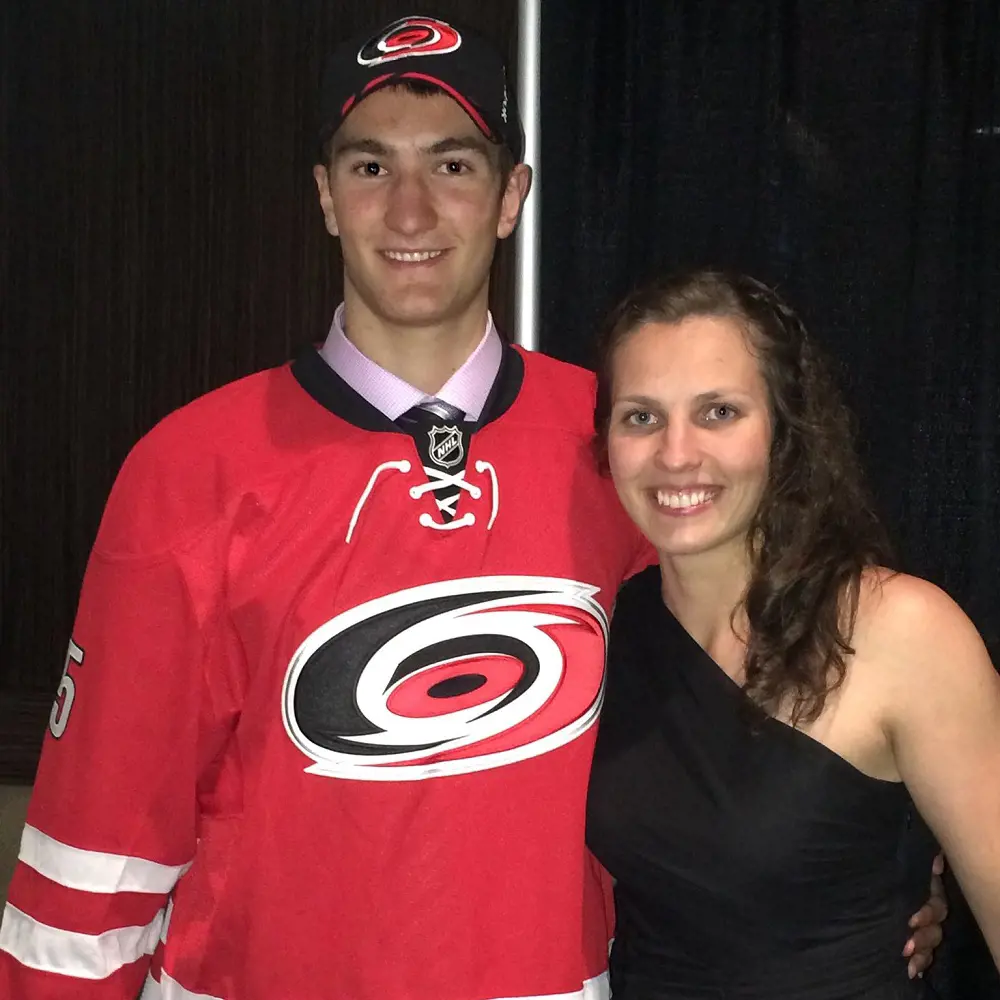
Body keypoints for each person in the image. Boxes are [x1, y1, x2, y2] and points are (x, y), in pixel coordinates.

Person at [0, 16, 944, 1000]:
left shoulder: (626, 449)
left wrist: (878, 869)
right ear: (326, 196)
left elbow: (777, 690)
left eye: (452, 165)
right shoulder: (191, 467)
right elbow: (94, 855)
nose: (410, 211)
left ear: (510, 197)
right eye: (370, 168)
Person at [586, 269, 1000, 999]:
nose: (676, 454)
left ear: (785, 428)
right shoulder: (607, 634)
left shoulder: (900, 631)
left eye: (718, 412)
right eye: (641, 417)